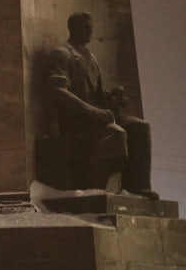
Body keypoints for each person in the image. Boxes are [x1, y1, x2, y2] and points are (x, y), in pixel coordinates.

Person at [47, 11, 156, 198]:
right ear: (74, 28)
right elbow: (58, 92)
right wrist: (93, 111)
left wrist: (113, 99)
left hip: (96, 117)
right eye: (86, 27)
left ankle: (138, 187)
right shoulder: (63, 54)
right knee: (117, 133)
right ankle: (101, 188)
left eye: (90, 26)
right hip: (78, 121)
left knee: (140, 127)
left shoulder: (91, 57)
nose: (90, 30)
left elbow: (98, 96)